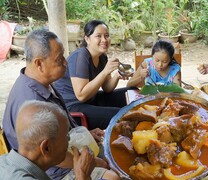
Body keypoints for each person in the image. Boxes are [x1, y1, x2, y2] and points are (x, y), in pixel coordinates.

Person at [2, 29, 119, 180]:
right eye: (59, 59)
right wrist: (96, 163)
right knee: (113, 174)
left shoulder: (42, 83)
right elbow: (55, 156)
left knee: (114, 147)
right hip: (54, 169)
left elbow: (58, 132)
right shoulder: (31, 103)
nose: (65, 62)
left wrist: (86, 134)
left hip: (63, 149)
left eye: (63, 55)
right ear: (39, 63)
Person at [54, 20, 135, 130]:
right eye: (98, 36)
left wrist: (116, 76)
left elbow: (107, 88)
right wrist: (105, 71)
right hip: (73, 107)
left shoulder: (102, 56)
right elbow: (81, 96)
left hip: (91, 99)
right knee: (120, 115)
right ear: (87, 39)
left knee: (131, 91)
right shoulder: (80, 57)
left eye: (106, 36)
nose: (104, 40)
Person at [0, 100, 95, 180]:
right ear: (46, 148)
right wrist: (83, 175)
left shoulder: (4, 162)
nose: (69, 141)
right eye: (67, 136)